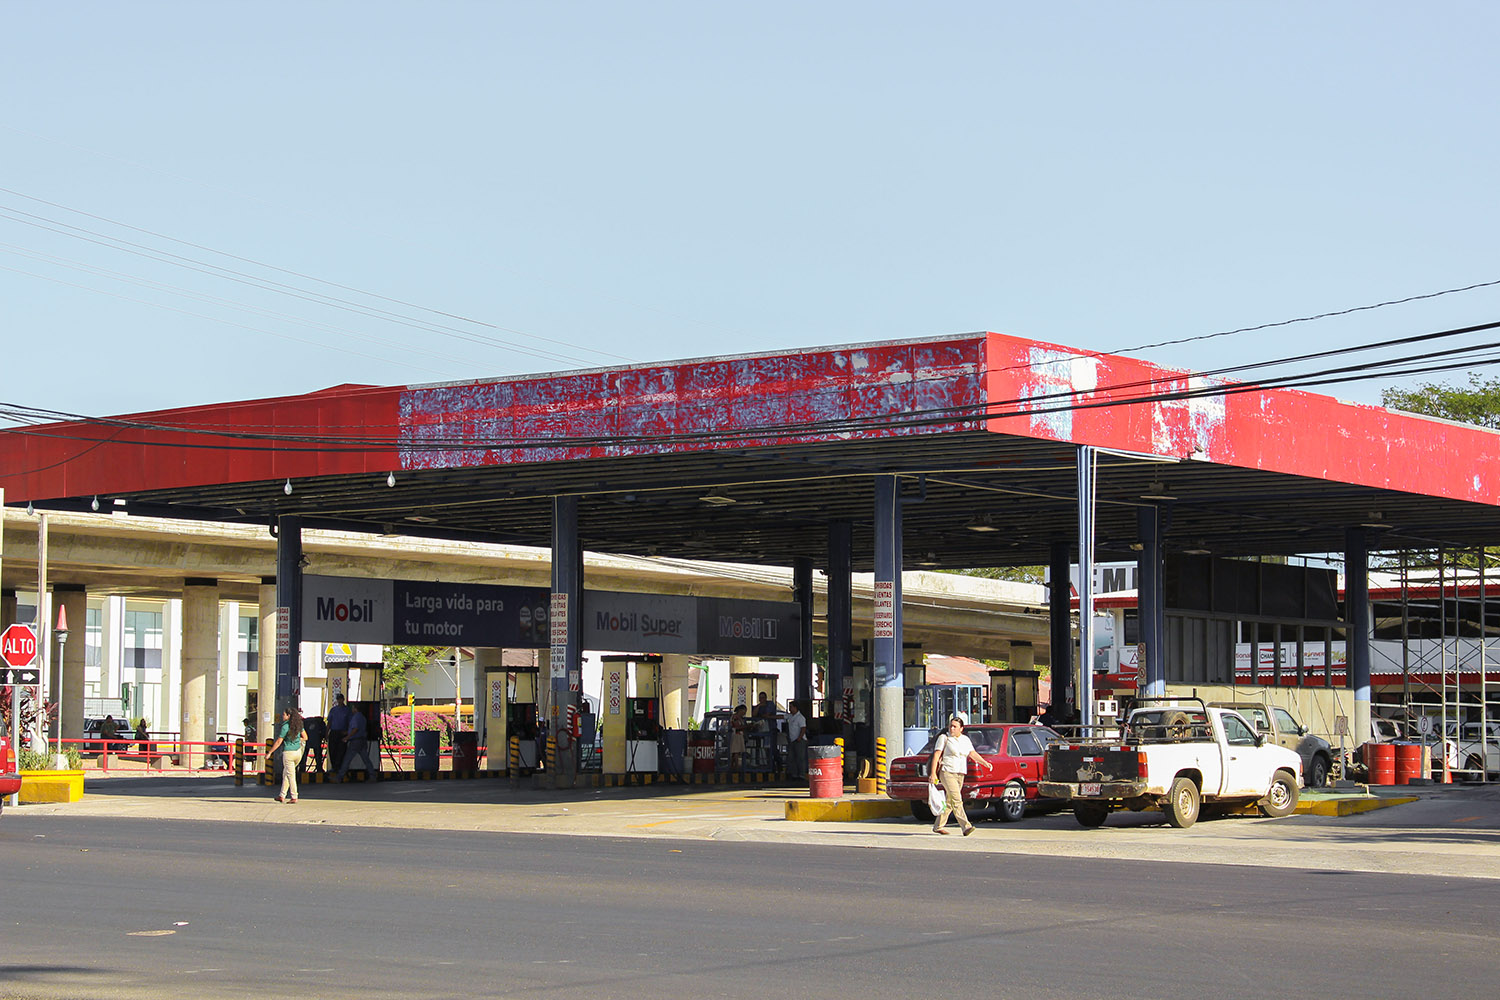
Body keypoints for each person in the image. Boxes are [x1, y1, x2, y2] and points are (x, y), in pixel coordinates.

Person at [929, 714, 993, 836]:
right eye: (950, 726)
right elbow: (936, 756)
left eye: (954, 727)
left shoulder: (965, 740)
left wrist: (984, 763)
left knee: (950, 801)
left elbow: (972, 753)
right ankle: (965, 826)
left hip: (960, 772)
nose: (952, 729)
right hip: (947, 771)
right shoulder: (944, 738)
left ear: (961, 728)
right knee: (957, 799)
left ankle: (938, 826)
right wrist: (933, 774)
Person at [266, 707, 304, 803]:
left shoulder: (285, 726)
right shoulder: (299, 725)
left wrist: (270, 752)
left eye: (284, 714)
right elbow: (305, 737)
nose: (282, 716)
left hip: (288, 753)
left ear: (288, 715)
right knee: (286, 773)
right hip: (298, 752)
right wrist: (297, 741)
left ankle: (294, 796)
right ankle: (282, 795)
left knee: (291, 775)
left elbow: (279, 741)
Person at [334, 704, 377, 782]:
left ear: (355, 709)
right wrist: (346, 732)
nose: (352, 710)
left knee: (347, 759)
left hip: (355, 741)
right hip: (362, 740)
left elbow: (355, 729)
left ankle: (339, 777)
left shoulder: (355, 717)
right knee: (366, 759)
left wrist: (347, 737)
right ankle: (372, 775)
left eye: (353, 708)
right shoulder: (363, 717)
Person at [326, 693, 352, 775]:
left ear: (343, 699)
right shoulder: (333, 710)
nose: (339, 701)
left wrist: (348, 732)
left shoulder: (347, 710)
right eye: (338, 699)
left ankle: (340, 767)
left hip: (342, 732)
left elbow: (351, 723)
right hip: (334, 732)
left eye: (340, 699)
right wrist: (326, 733)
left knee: (341, 751)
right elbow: (329, 722)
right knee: (332, 750)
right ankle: (334, 767)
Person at [786, 699, 808, 780]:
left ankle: (802, 775)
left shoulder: (800, 717)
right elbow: (781, 716)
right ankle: (794, 774)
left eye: (791, 707)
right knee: (792, 758)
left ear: (795, 708)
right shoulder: (791, 716)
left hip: (799, 740)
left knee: (800, 758)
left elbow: (803, 728)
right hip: (792, 740)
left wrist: (799, 738)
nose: (789, 709)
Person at [729, 704, 748, 772]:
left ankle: (733, 766)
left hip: (740, 735)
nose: (745, 713)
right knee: (736, 752)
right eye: (744, 711)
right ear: (740, 710)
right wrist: (746, 726)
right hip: (736, 735)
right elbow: (736, 727)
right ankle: (735, 767)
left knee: (736, 752)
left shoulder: (740, 718)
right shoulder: (735, 717)